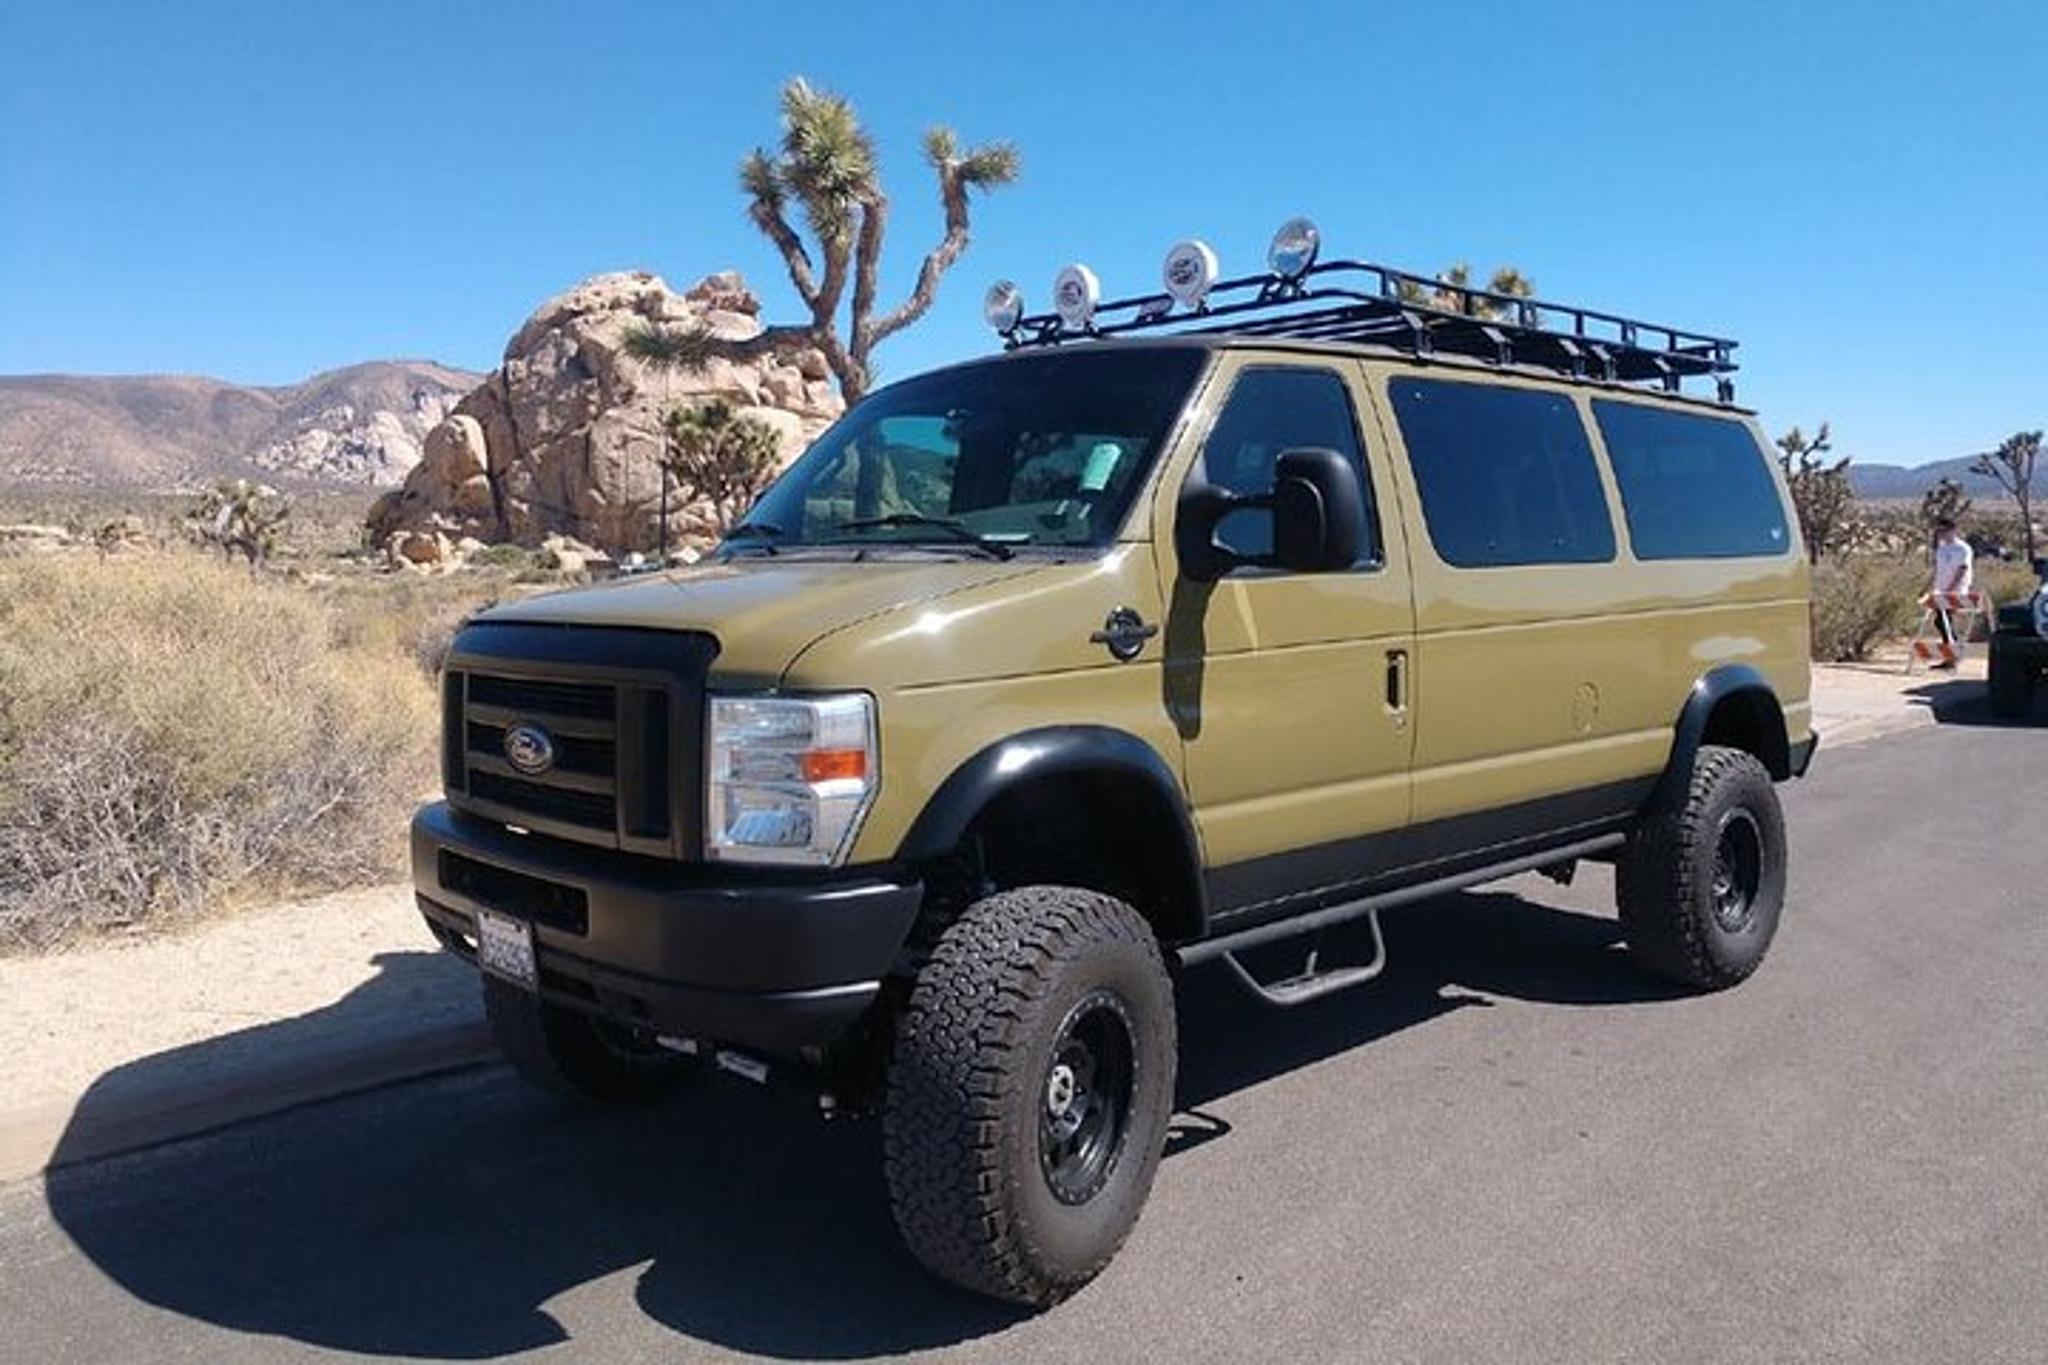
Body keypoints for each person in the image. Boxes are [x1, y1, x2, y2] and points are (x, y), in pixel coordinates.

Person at [1929, 516, 1974, 669]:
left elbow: (1962, 569)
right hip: (1940, 590)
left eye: (1943, 530)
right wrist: (1931, 586)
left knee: (1943, 621)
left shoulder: (1963, 548)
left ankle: (1952, 656)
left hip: (1955, 591)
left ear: (1953, 530)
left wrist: (1950, 589)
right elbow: (1938, 570)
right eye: (1938, 531)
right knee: (1941, 622)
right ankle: (1951, 655)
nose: (1941, 534)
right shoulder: (1941, 549)